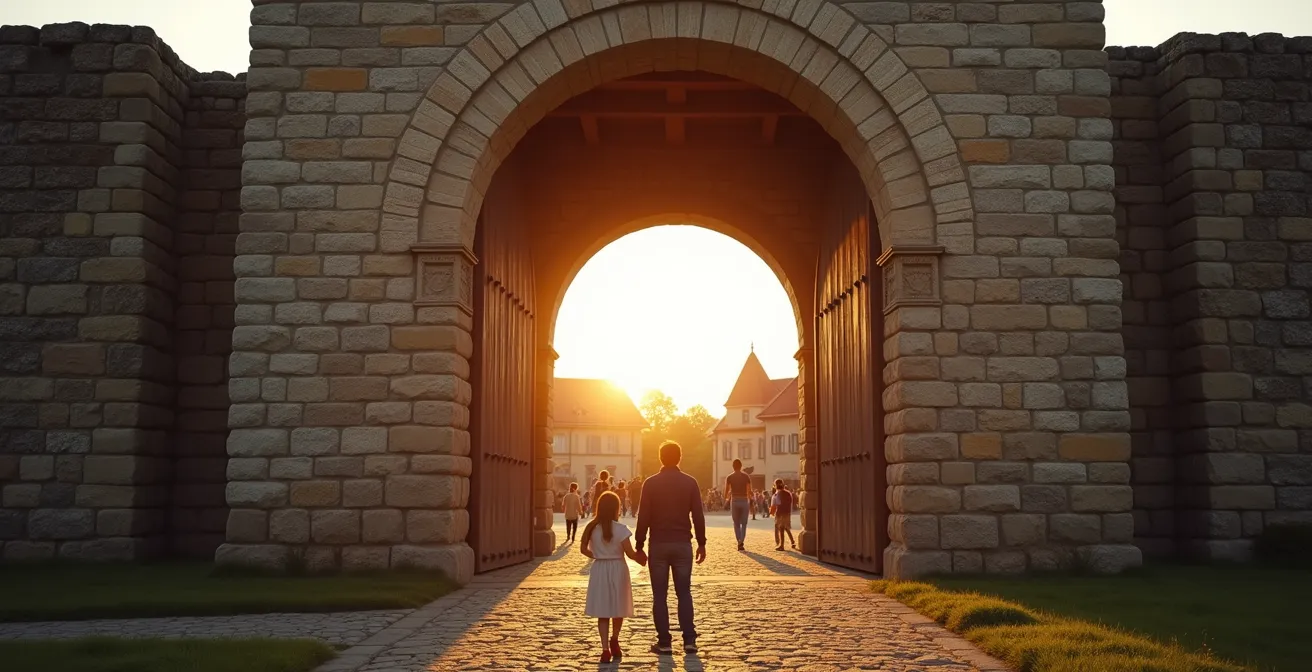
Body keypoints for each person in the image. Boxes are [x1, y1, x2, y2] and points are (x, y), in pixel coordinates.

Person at [636, 441, 707, 656]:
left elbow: (643, 516)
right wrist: (701, 543)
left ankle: (664, 642)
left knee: (660, 595)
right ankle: (689, 640)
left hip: (658, 544)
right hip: (682, 543)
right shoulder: (690, 482)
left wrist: (639, 544)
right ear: (679, 457)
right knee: (684, 592)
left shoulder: (650, 483)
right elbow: (698, 515)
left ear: (660, 458)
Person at [582, 491, 647, 664]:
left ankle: (605, 649)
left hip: (600, 568)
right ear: (616, 508)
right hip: (618, 567)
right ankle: (615, 638)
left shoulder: (591, 528)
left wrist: (597, 555)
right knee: (619, 606)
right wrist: (642, 559)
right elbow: (630, 553)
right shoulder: (621, 529)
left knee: (603, 611)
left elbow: (583, 549)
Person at [724, 459, 752, 551]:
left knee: (736, 523)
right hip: (744, 500)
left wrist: (726, 500)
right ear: (741, 466)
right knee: (744, 523)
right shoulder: (746, 476)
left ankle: (739, 541)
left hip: (735, 500)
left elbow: (727, 490)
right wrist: (750, 498)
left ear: (733, 466)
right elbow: (749, 490)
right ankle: (742, 541)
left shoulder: (729, 477)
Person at [770, 479, 796, 551]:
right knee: (786, 527)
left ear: (775, 485)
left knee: (780, 528)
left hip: (780, 512)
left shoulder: (777, 494)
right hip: (787, 512)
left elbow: (776, 504)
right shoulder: (788, 493)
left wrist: (773, 512)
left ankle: (781, 545)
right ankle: (792, 541)